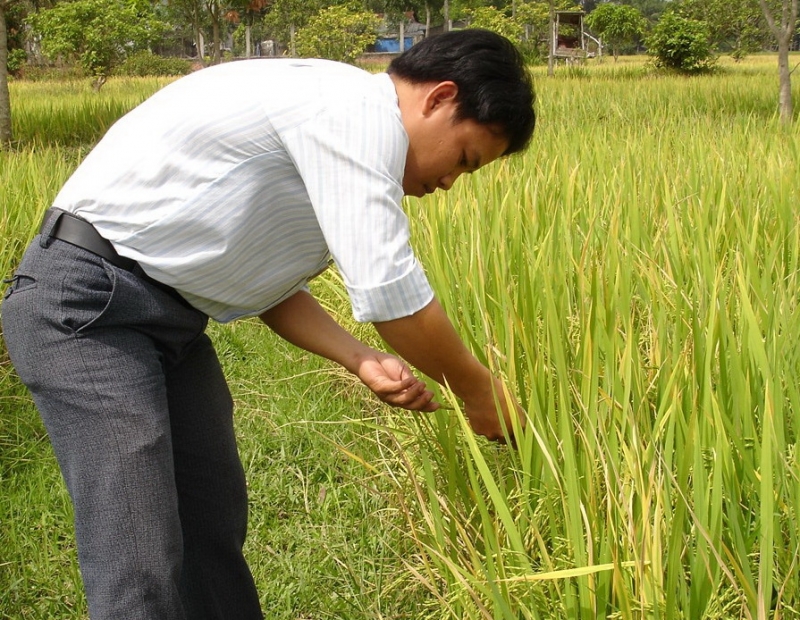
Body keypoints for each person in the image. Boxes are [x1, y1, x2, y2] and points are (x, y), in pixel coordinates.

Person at [1, 29, 535, 620]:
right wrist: (478, 390)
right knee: (140, 551)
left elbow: (268, 284)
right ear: (439, 98)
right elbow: (389, 290)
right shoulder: (356, 114)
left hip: (167, 317)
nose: (448, 184)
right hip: (89, 307)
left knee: (211, 521)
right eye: (463, 159)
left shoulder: (335, 121)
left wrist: (358, 357)